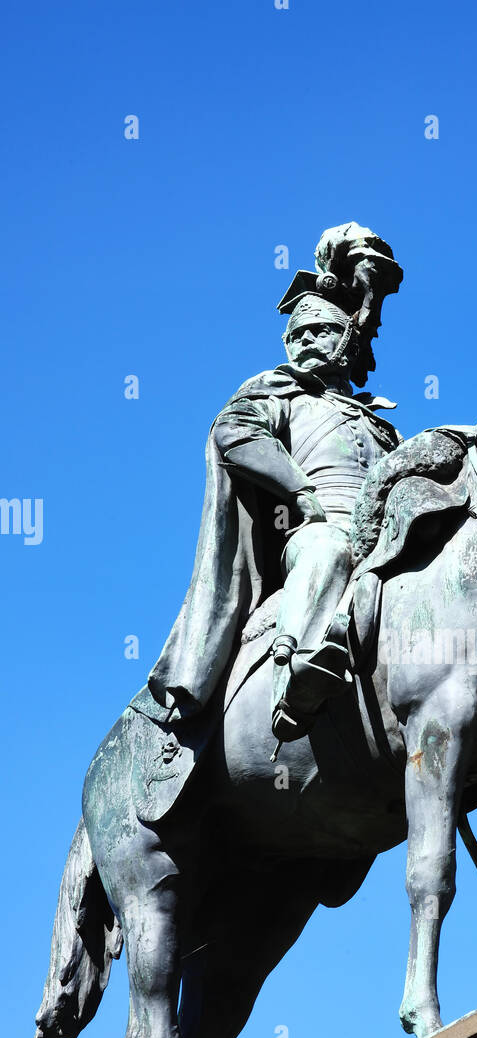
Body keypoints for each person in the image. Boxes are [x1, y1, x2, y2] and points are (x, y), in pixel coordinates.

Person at [148, 224, 403, 740]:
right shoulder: (278, 394)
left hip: (387, 535)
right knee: (328, 549)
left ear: (347, 341)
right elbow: (234, 433)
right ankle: (297, 676)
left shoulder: (383, 423)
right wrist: (302, 494)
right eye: (296, 334)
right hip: (316, 527)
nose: (305, 340)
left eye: (320, 332)